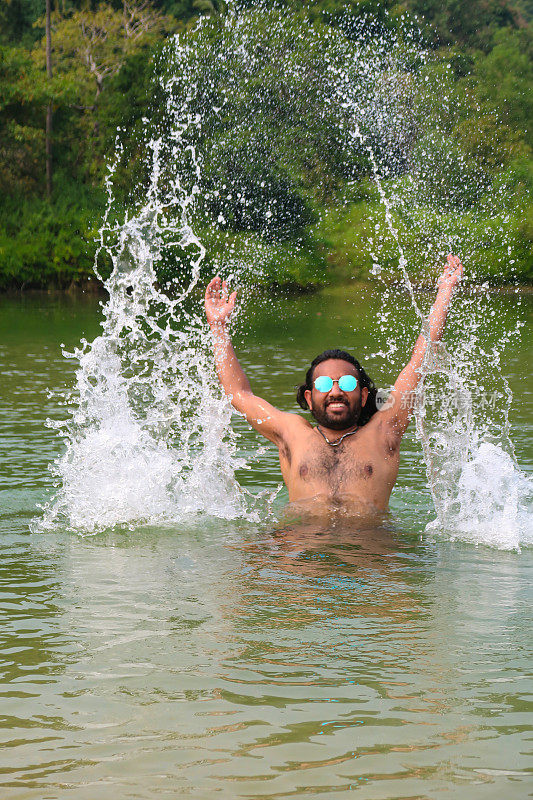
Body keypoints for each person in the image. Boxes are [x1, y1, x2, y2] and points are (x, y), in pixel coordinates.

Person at [204, 255, 463, 512]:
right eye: (325, 383)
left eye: (348, 383)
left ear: (363, 396)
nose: (336, 391)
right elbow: (238, 394)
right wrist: (218, 328)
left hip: (368, 549)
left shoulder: (383, 432)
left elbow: (420, 360)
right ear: (308, 397)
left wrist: (444, 293)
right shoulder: (292, 433)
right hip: (301, 546)